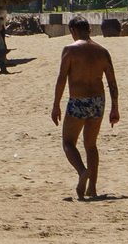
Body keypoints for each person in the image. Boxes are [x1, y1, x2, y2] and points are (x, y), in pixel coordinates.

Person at [50, 17, 121, 201]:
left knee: (68, 143)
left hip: (78, 101)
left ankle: (82, 172)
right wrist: (115, 108)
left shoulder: (70, 50)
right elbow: (112, 82)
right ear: (89, 30)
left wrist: (56, 105)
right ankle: (92, 188)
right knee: (91, 145)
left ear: (73, 31)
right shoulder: (102, 51)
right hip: (98, 101)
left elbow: (62, 78)